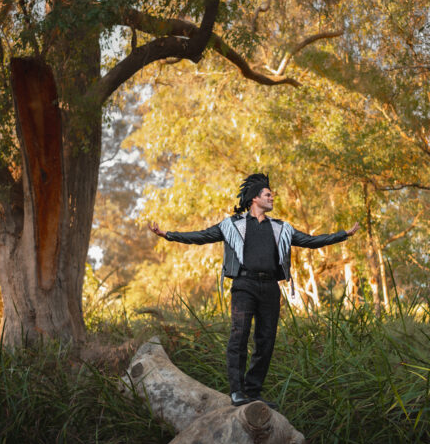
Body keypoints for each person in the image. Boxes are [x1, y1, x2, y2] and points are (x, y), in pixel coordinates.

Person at [148, 173, 359, 409]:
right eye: (268, 195)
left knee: (266, 341)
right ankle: (237, 391)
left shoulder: (281, 228)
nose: (272, 198)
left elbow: (311, 241)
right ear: (255, 198)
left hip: (270, 288)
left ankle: (253, 392)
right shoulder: (232, 225)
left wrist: (344, 234)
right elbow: (202, 236)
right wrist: (168, 235)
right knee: (239, 336)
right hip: (244, 286)